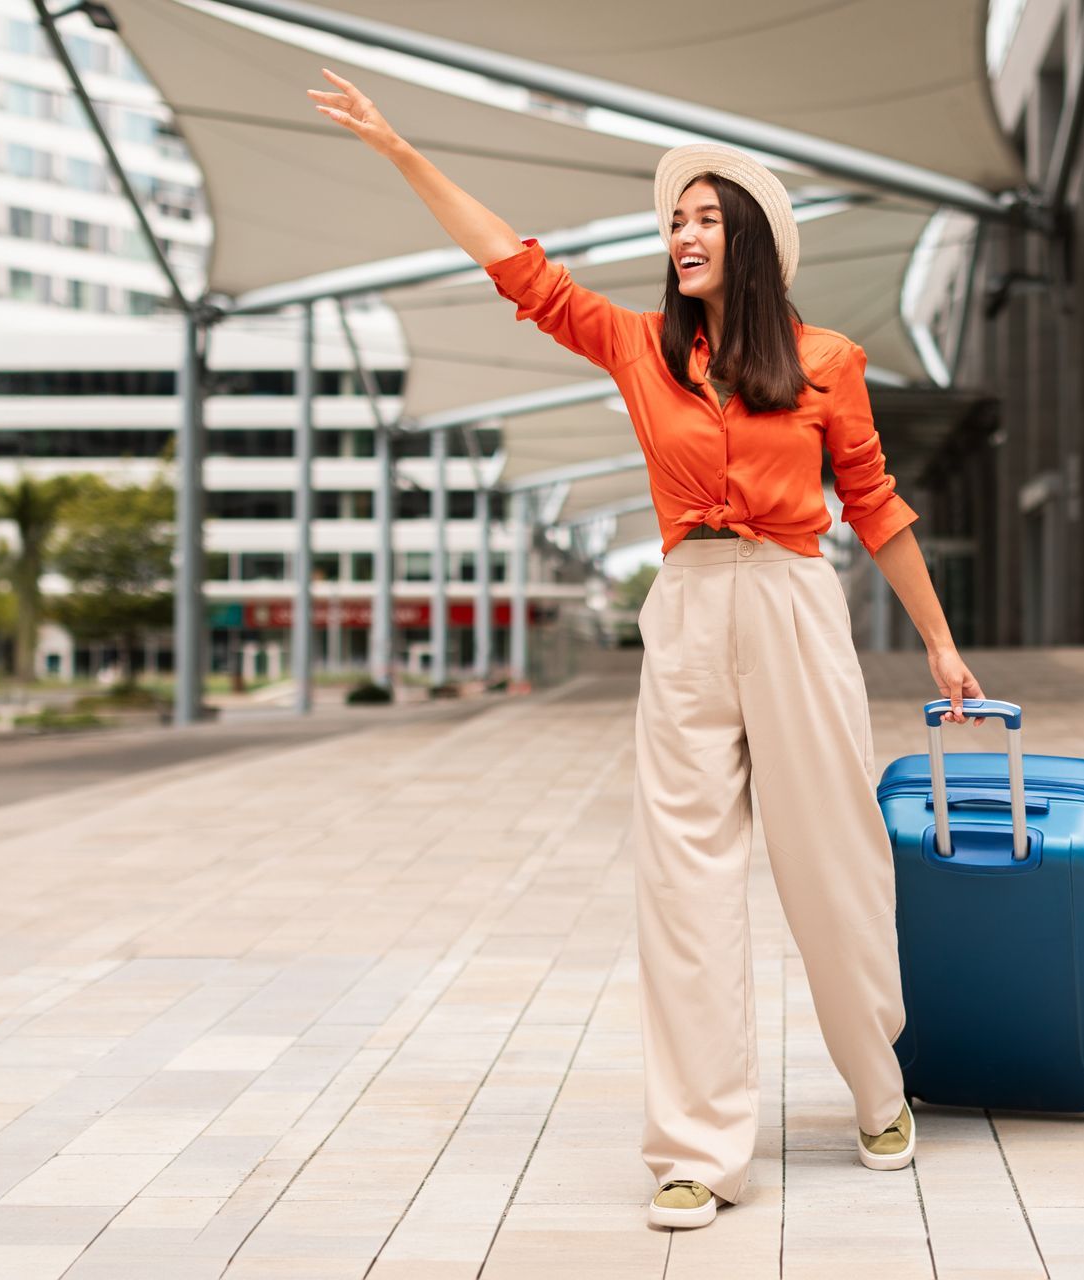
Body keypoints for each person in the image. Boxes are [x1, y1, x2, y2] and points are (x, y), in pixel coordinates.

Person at [308, 67, 987, 1230]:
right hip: (684, 610)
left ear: (755, 242)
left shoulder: (829, 362)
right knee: (682, 878)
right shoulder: (636, 348)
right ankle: (696, 1146)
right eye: (674, 220)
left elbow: (874, 503)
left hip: (789, 597)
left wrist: (941, 645)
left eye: (705, 218)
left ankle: (878, 1088)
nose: (682, 234)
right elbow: (519, 269)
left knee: (834, 857)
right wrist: (400, 151)